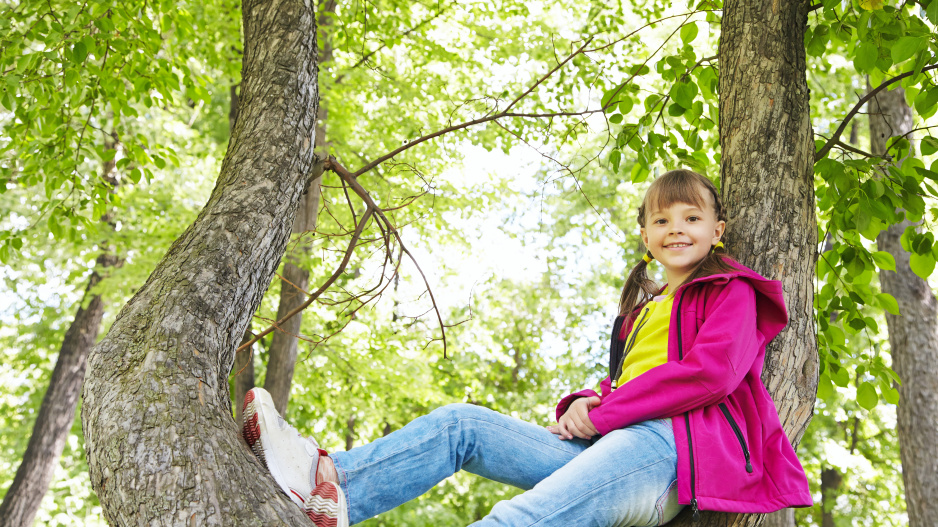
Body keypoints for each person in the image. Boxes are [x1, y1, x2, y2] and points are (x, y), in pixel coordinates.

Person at [240, 169, 812, 527]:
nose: (676, 228)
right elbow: (628, 384)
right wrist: (586, 401)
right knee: (459, 425)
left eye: (692, 216)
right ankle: (332, 482)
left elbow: (708, 376)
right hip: (612, 443)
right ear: (645, 237)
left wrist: (606, 412)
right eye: (661, 219)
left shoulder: (733, 291)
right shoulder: (643, 312)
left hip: (666, 458)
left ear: (718, 230)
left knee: (524, 518)